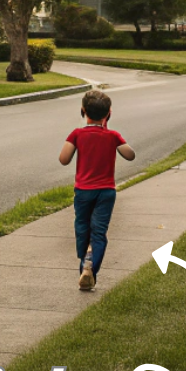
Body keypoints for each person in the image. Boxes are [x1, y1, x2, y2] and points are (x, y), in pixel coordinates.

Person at [58, 90, 136, 291]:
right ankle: (90, 268)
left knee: (83, 228)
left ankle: (84, 265)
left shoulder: (77, 134)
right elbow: (130, 155)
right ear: (108, 113)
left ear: (83, 111)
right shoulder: (112, 136)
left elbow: (63, 159)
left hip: (83, 192)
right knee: (99, 232)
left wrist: (75, 143)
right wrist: (115, 138)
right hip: (106, 192)